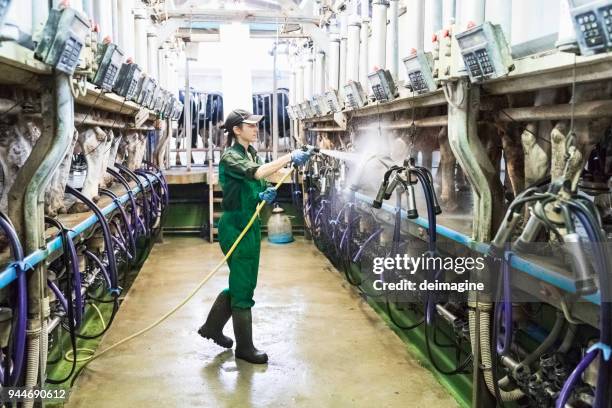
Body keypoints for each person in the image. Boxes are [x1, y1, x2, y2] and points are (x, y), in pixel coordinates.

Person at [198, 109, 313, 364]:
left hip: (250, 224)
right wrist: (289, 156)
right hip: (236, 225)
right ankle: (245, 349)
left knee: (243, 283)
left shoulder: (250, 152)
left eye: (255, 125)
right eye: (250, 125)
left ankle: (212, 327)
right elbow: (258, 173)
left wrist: (291, 168)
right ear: (236, 130)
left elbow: (268, 175)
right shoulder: (231, 157)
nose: (255, 128)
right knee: (243, 289)